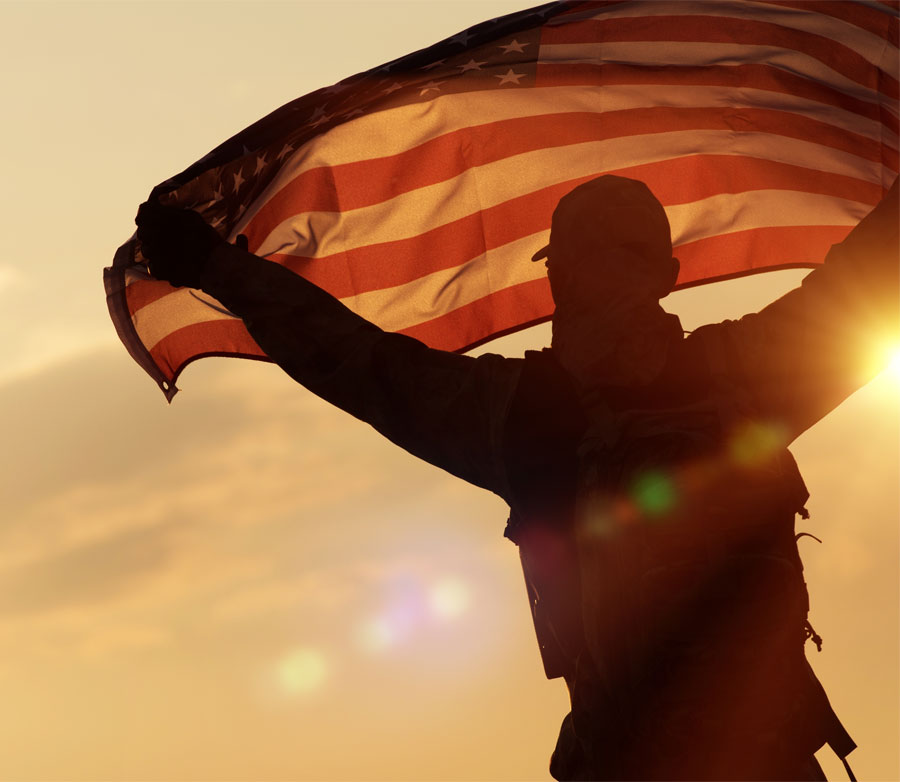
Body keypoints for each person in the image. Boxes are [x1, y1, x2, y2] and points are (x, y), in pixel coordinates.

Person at [136, 173, 898, 781]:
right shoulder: (740, 379)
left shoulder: (518, 416)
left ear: (555, 276)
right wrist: (216, 266)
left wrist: (217, 267)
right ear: (667, 273)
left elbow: (354, 362)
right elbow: (871, 283)